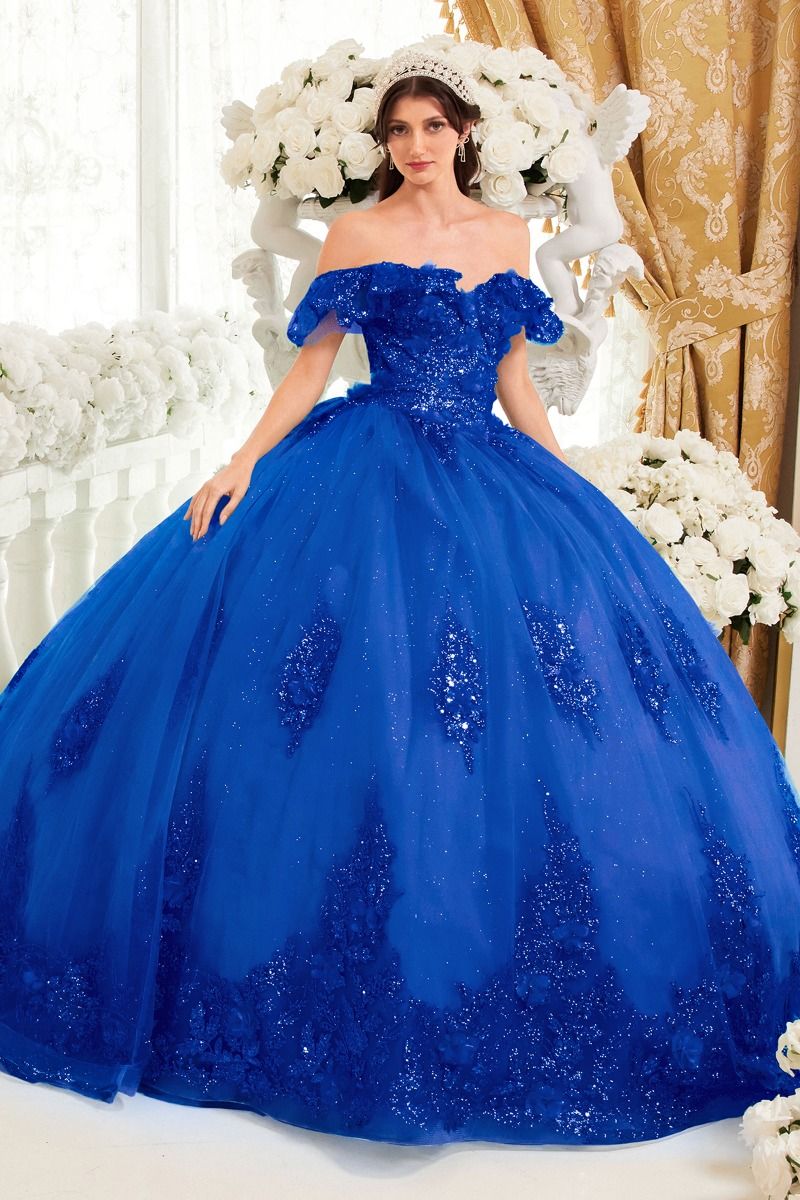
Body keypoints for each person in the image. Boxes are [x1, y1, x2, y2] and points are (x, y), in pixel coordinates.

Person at [0, 46, 798, 1150]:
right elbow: (311, 366)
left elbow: (514, 378)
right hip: (363, 471)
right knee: (348, 691)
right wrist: (240, 461)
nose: (415, 146)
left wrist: (567, 482)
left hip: (485, 470)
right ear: (384, 147)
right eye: (398, 132)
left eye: (431, 128)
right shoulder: (356, 234)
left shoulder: (508, 235)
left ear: (463, 135)